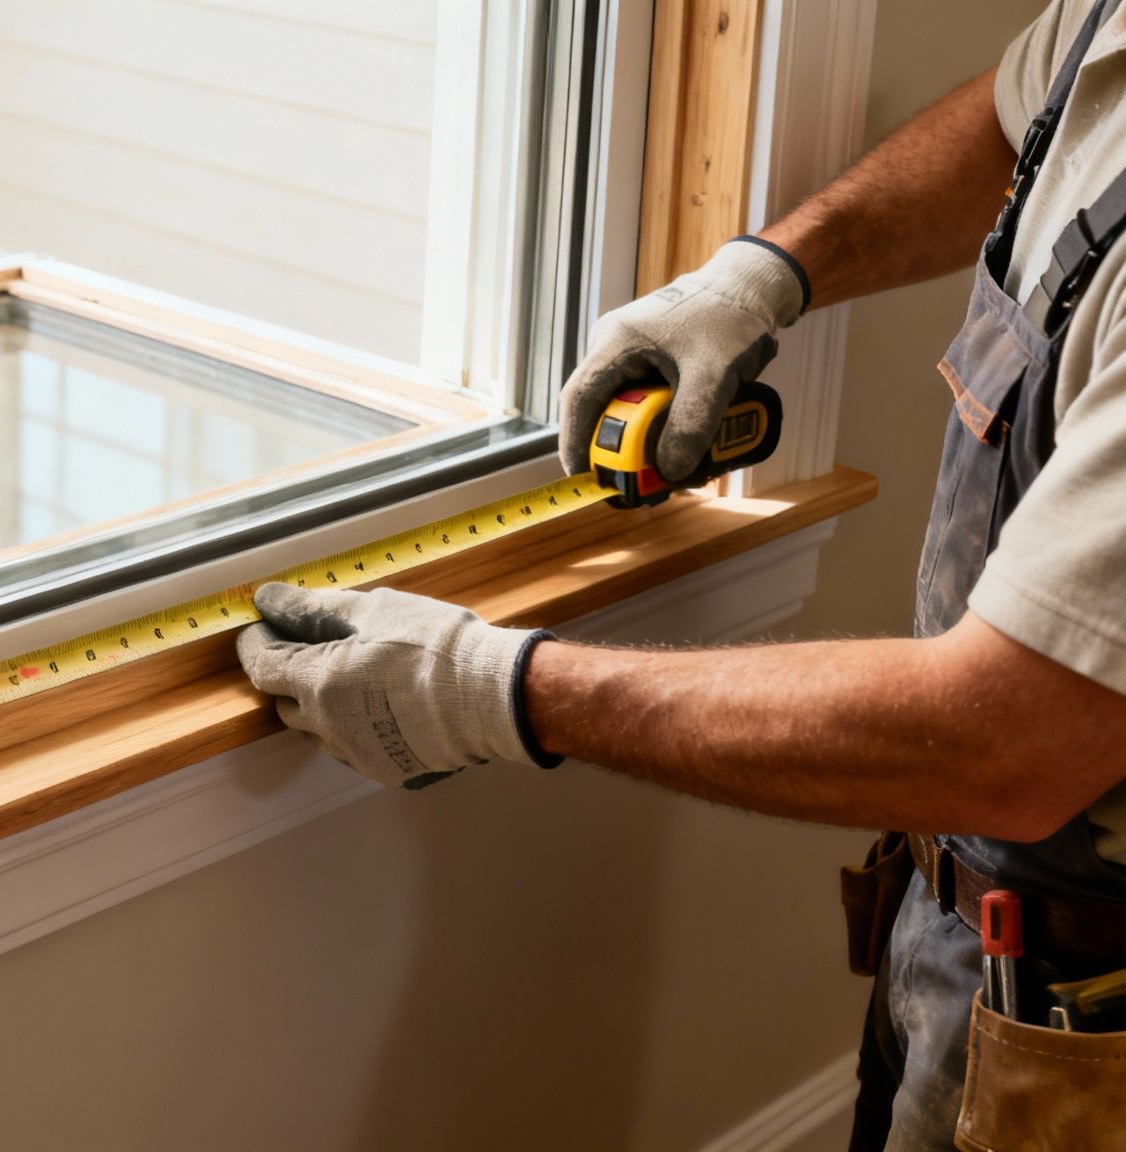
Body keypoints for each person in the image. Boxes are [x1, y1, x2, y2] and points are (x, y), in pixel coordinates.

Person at [235, 1, 1126, 1147]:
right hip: (955, 925)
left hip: (1087, 1013)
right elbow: (1023, 117)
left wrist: (495, 691)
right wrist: (762, 272)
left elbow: (1001, 737)